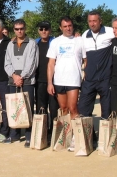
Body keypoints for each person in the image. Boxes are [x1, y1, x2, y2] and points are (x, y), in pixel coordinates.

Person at [47, 16, 86, 151]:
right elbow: (51, 64)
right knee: (63, 109)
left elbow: (86, 60)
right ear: (60, 27)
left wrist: (85, 73)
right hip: (59, 80)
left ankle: (76, 137)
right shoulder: (55, 42)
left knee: (73, 107)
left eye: (70, 26)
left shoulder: (79, 40)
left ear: (72, 26)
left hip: (74, 80)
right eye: (65, 26)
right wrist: (49, 83)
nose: (68, 28)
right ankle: (66, 135)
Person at [4, 19, 38, 147]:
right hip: (13, 81)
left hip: (27, 81)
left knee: (28, 108)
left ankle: (29, 136)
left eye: (21, 28)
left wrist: (21, 77)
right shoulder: (10, 44)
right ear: (14, 30)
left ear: (25, 29)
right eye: (17, 29)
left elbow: (32, 63)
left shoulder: (32, 43)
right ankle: (14, 135)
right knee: (14, 108)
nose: (19, 31)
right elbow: (7, 63)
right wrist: (13, 76)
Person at [78, 11, 114, 132]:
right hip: (89, 79)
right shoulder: (84, 35)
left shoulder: (110, 31)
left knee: (107, 111)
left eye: (94, 21)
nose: (92, 24)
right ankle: (88, 138)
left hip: (105, 79)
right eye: (90, 21)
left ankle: (106, 140)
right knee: (83, 109)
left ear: (100, 21)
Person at [34, 21, 59, 139]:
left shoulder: (55, 43)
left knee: (54, 108)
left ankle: (53, 132)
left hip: (54, 81)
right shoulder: (35, 43)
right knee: (41, 107)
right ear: (38, 30)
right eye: (41, 29)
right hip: (39, 81)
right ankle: (42, 132)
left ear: (50, 30)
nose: (44, 31)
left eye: (46, 29)